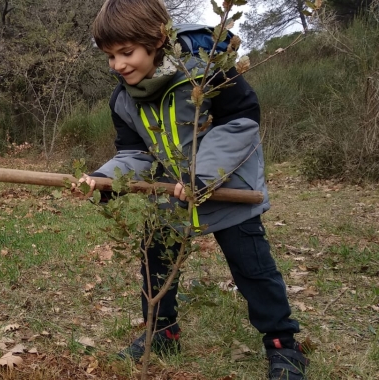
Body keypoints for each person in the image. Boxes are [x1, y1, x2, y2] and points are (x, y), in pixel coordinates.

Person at [77, 1, 308, 379]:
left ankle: (283, 344)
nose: (118, 65)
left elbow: (240, 123)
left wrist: (202, 177)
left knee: (253, 268)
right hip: (172, 195)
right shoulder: (123, 99)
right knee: (155, 262)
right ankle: (163, 332)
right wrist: (103, 180)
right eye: (110, 56)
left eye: (126, 52)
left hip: (229, 189)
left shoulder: (205, 74)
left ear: (157, 41)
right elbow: (135, 153)